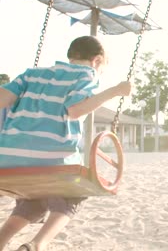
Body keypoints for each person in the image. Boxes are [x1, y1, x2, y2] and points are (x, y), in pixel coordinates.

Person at [0, 36, 132, 251]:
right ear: (97, 61)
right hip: (50, 162)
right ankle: (37, 244)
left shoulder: (31, 74)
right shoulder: (86, 74)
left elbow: (1, 99)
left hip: (6, 161)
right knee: (74, 193)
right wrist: (115, 91)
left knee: (35, 198)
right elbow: (75, 110)